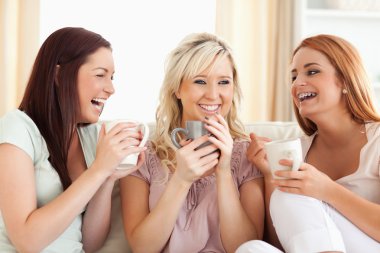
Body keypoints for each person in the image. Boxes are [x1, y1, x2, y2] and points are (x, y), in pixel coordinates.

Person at [0, 27, 146, 252]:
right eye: (100, 75)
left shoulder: (89, 137)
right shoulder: (18, 128)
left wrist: (106, 178)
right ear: (59, 75)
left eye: (112, 77)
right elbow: (26, 241)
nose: (111, 88)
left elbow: (90, 243)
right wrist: (98, 170)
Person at [119, 32, 265, 253]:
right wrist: (181, 179)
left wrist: (224, 171)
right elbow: (142, 248)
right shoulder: (143, 156)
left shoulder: (247, 156)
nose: (213, 94)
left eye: (224, 82)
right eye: (200, 81)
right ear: (177, 89)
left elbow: (246, 248)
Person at [238, 34, 380, 253]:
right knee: (252, 249)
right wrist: (271, 176)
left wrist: (327, 190)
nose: (298, 83)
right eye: (294, 76)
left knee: (291, 191)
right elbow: (286, 243)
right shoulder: (296, 151)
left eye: (312, 71)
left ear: (344, 80)